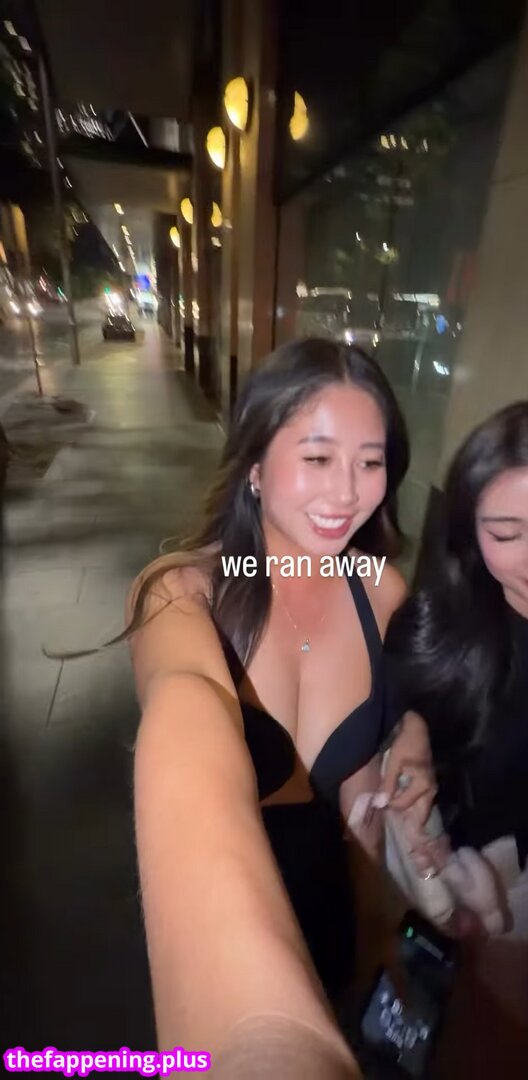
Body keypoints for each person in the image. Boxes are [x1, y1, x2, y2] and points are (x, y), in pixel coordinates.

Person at [128, 338, 410, 1055]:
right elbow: (185, 706)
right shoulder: (181, 595)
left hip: (334, 918)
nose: (346, 493)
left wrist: (378, 940)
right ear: (254, 466)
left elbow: (361, 797)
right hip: (216, 927)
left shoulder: (380, 593)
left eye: (369, 462)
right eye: (317, 458)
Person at [381, 398, 528, 1077]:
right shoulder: (441, 625)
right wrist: (412, 733)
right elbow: (403, 696)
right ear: (471, 534)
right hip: (467, 861)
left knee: (514, 1030)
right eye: (506, 533)